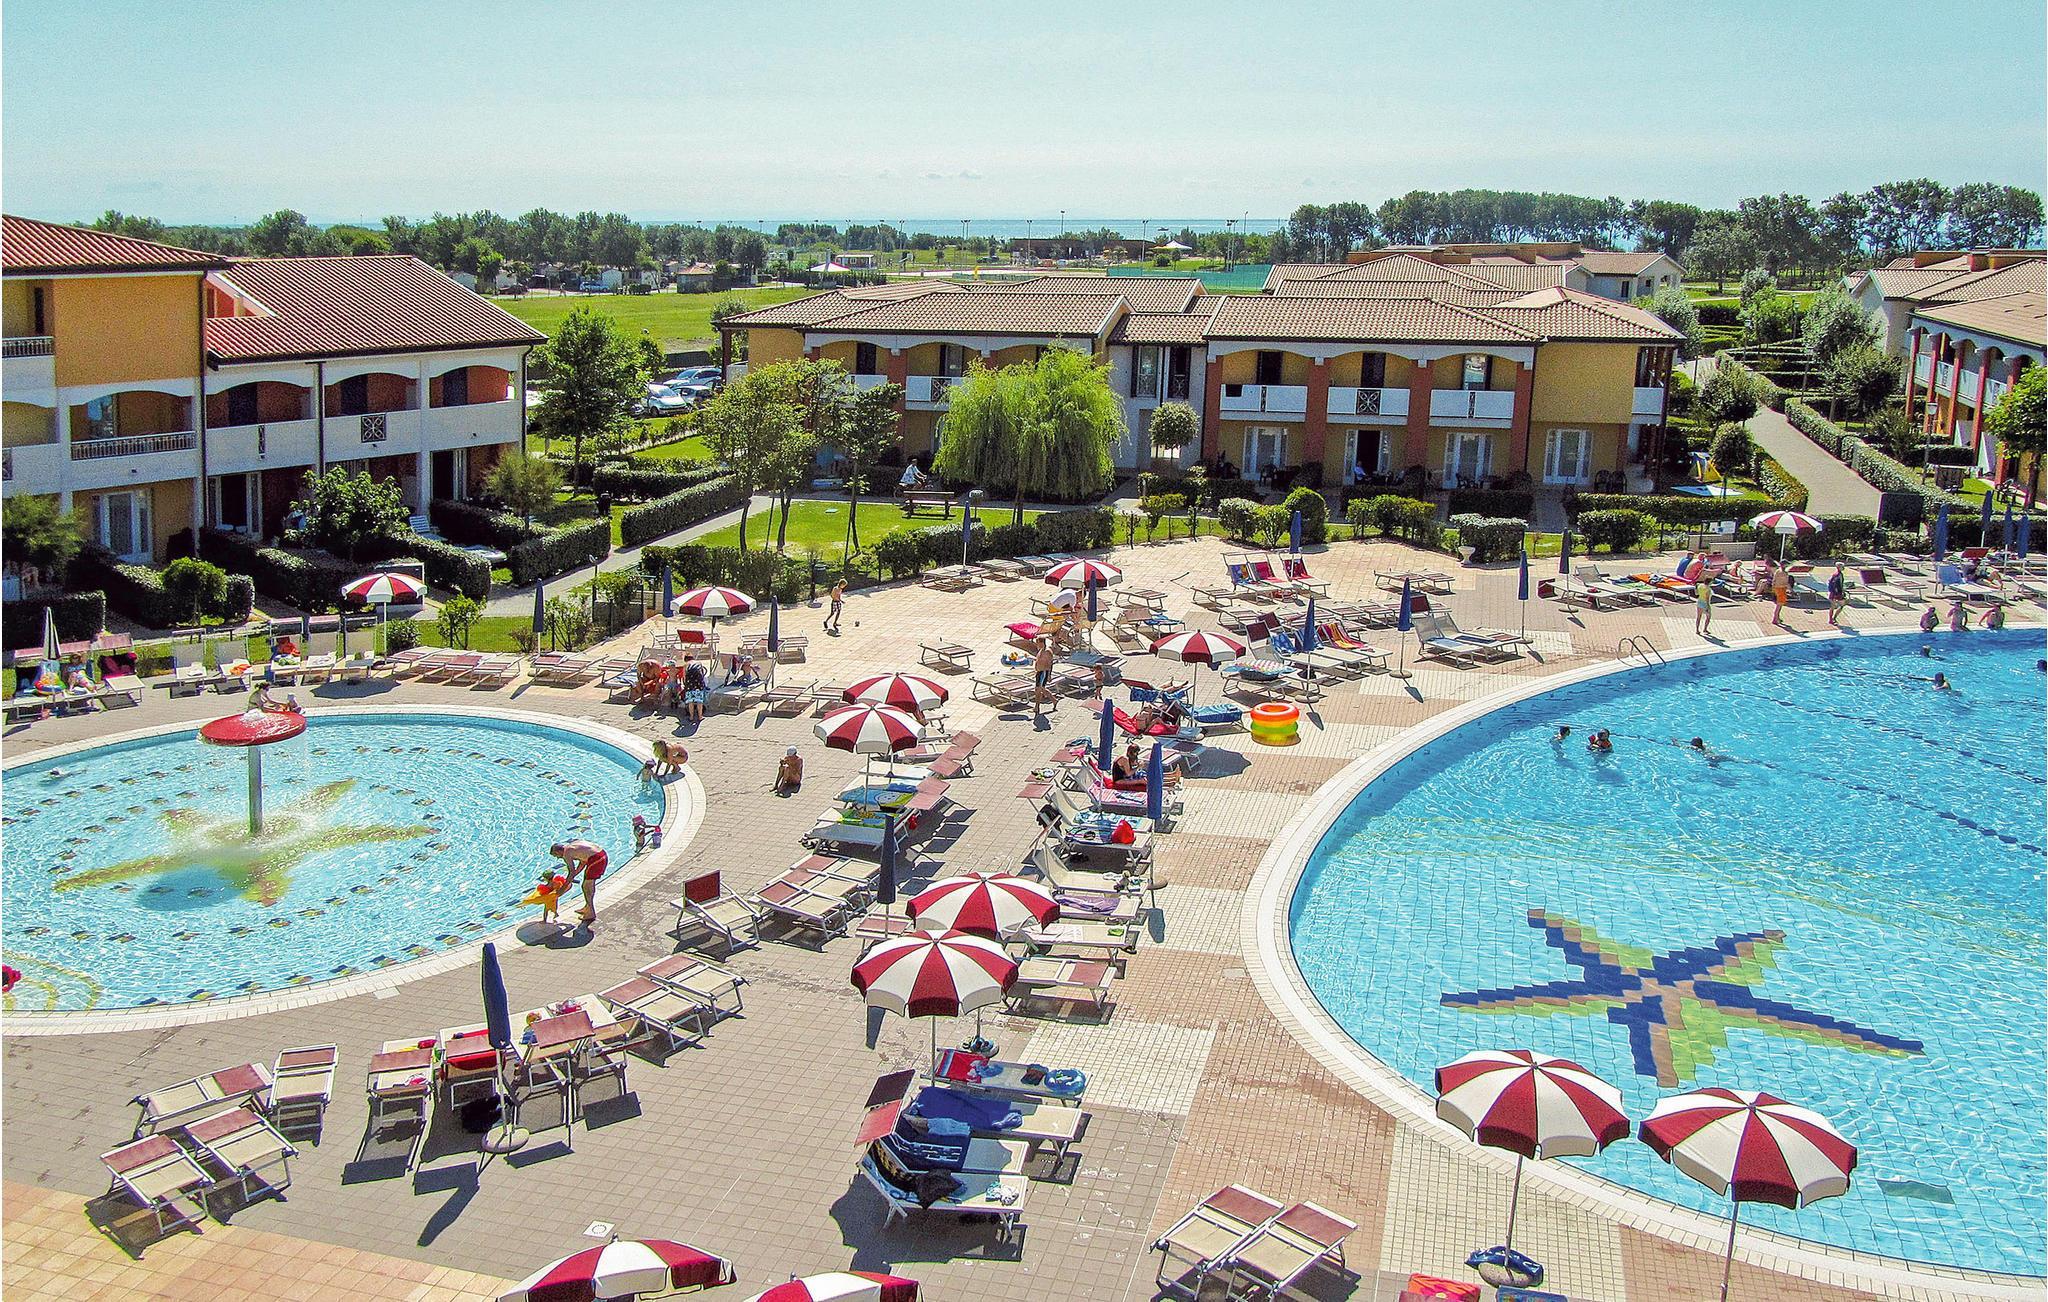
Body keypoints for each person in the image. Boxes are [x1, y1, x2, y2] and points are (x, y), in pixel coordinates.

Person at [550, 839, 607, 925]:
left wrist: (562, 889)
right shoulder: (572, 845)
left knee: (587, 886)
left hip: (596, 859)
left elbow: (571, 871)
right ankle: (587, 907)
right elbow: (582, 863)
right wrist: (572, 877)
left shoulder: (566, 853)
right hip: (602, 855)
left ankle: (591, 913)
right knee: (586, 885)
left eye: (556, 855)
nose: (558, 858)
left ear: (558, 851)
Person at [1032, 636, 1055, 715]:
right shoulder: (1041, 650)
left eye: (1037, 643)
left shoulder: (1047, 651)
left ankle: (1037, 707)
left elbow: (1050, 664)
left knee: (1038, 690)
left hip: (1043, 672)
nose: (1036, 644)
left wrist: (1049, 675)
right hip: (1039, 672)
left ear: (1041, 643)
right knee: (1040, 689)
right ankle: (1054, 700)